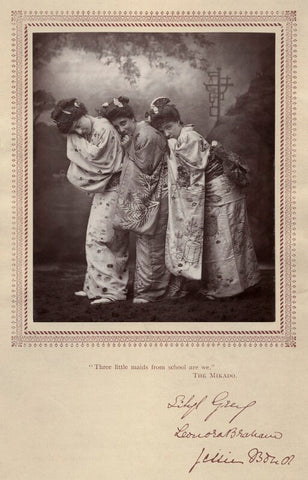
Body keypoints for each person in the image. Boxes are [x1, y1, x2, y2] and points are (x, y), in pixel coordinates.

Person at [148, 97, 260, 299]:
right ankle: (238, 284)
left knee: (225, 238)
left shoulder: (189, 138)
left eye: (169, 127)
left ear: (179, 122)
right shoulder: (180, 139)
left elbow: (188, 174)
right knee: (222, 238)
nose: (167, 133)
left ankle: (228, 288)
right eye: (162, 130)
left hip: (221, 189)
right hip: (215, 188)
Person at [51, 98, 129, 304]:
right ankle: (96, 286)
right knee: (104, 239)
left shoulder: (104, 128)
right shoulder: (88, 131)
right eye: (74, 131)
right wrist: (76, 137)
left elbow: (96, 160)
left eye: (78, 125)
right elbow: (86, 159)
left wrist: (77, 142)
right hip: (106, 191)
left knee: (101, 239)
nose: (78, 132)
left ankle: (111, 291)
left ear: (83, 114)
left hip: (116, 189)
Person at [99, 96, 170, 303]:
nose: (121, 129)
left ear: (132, 118)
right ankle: (146, 289)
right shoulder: (135, 135)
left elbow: (147, 169)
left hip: (157, 196)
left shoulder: (146, 134)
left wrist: (127, 148)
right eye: (117, 126)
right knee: (146, 245)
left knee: (153, 247)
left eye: (123, 123)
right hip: (148, 197)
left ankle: (151, 292)